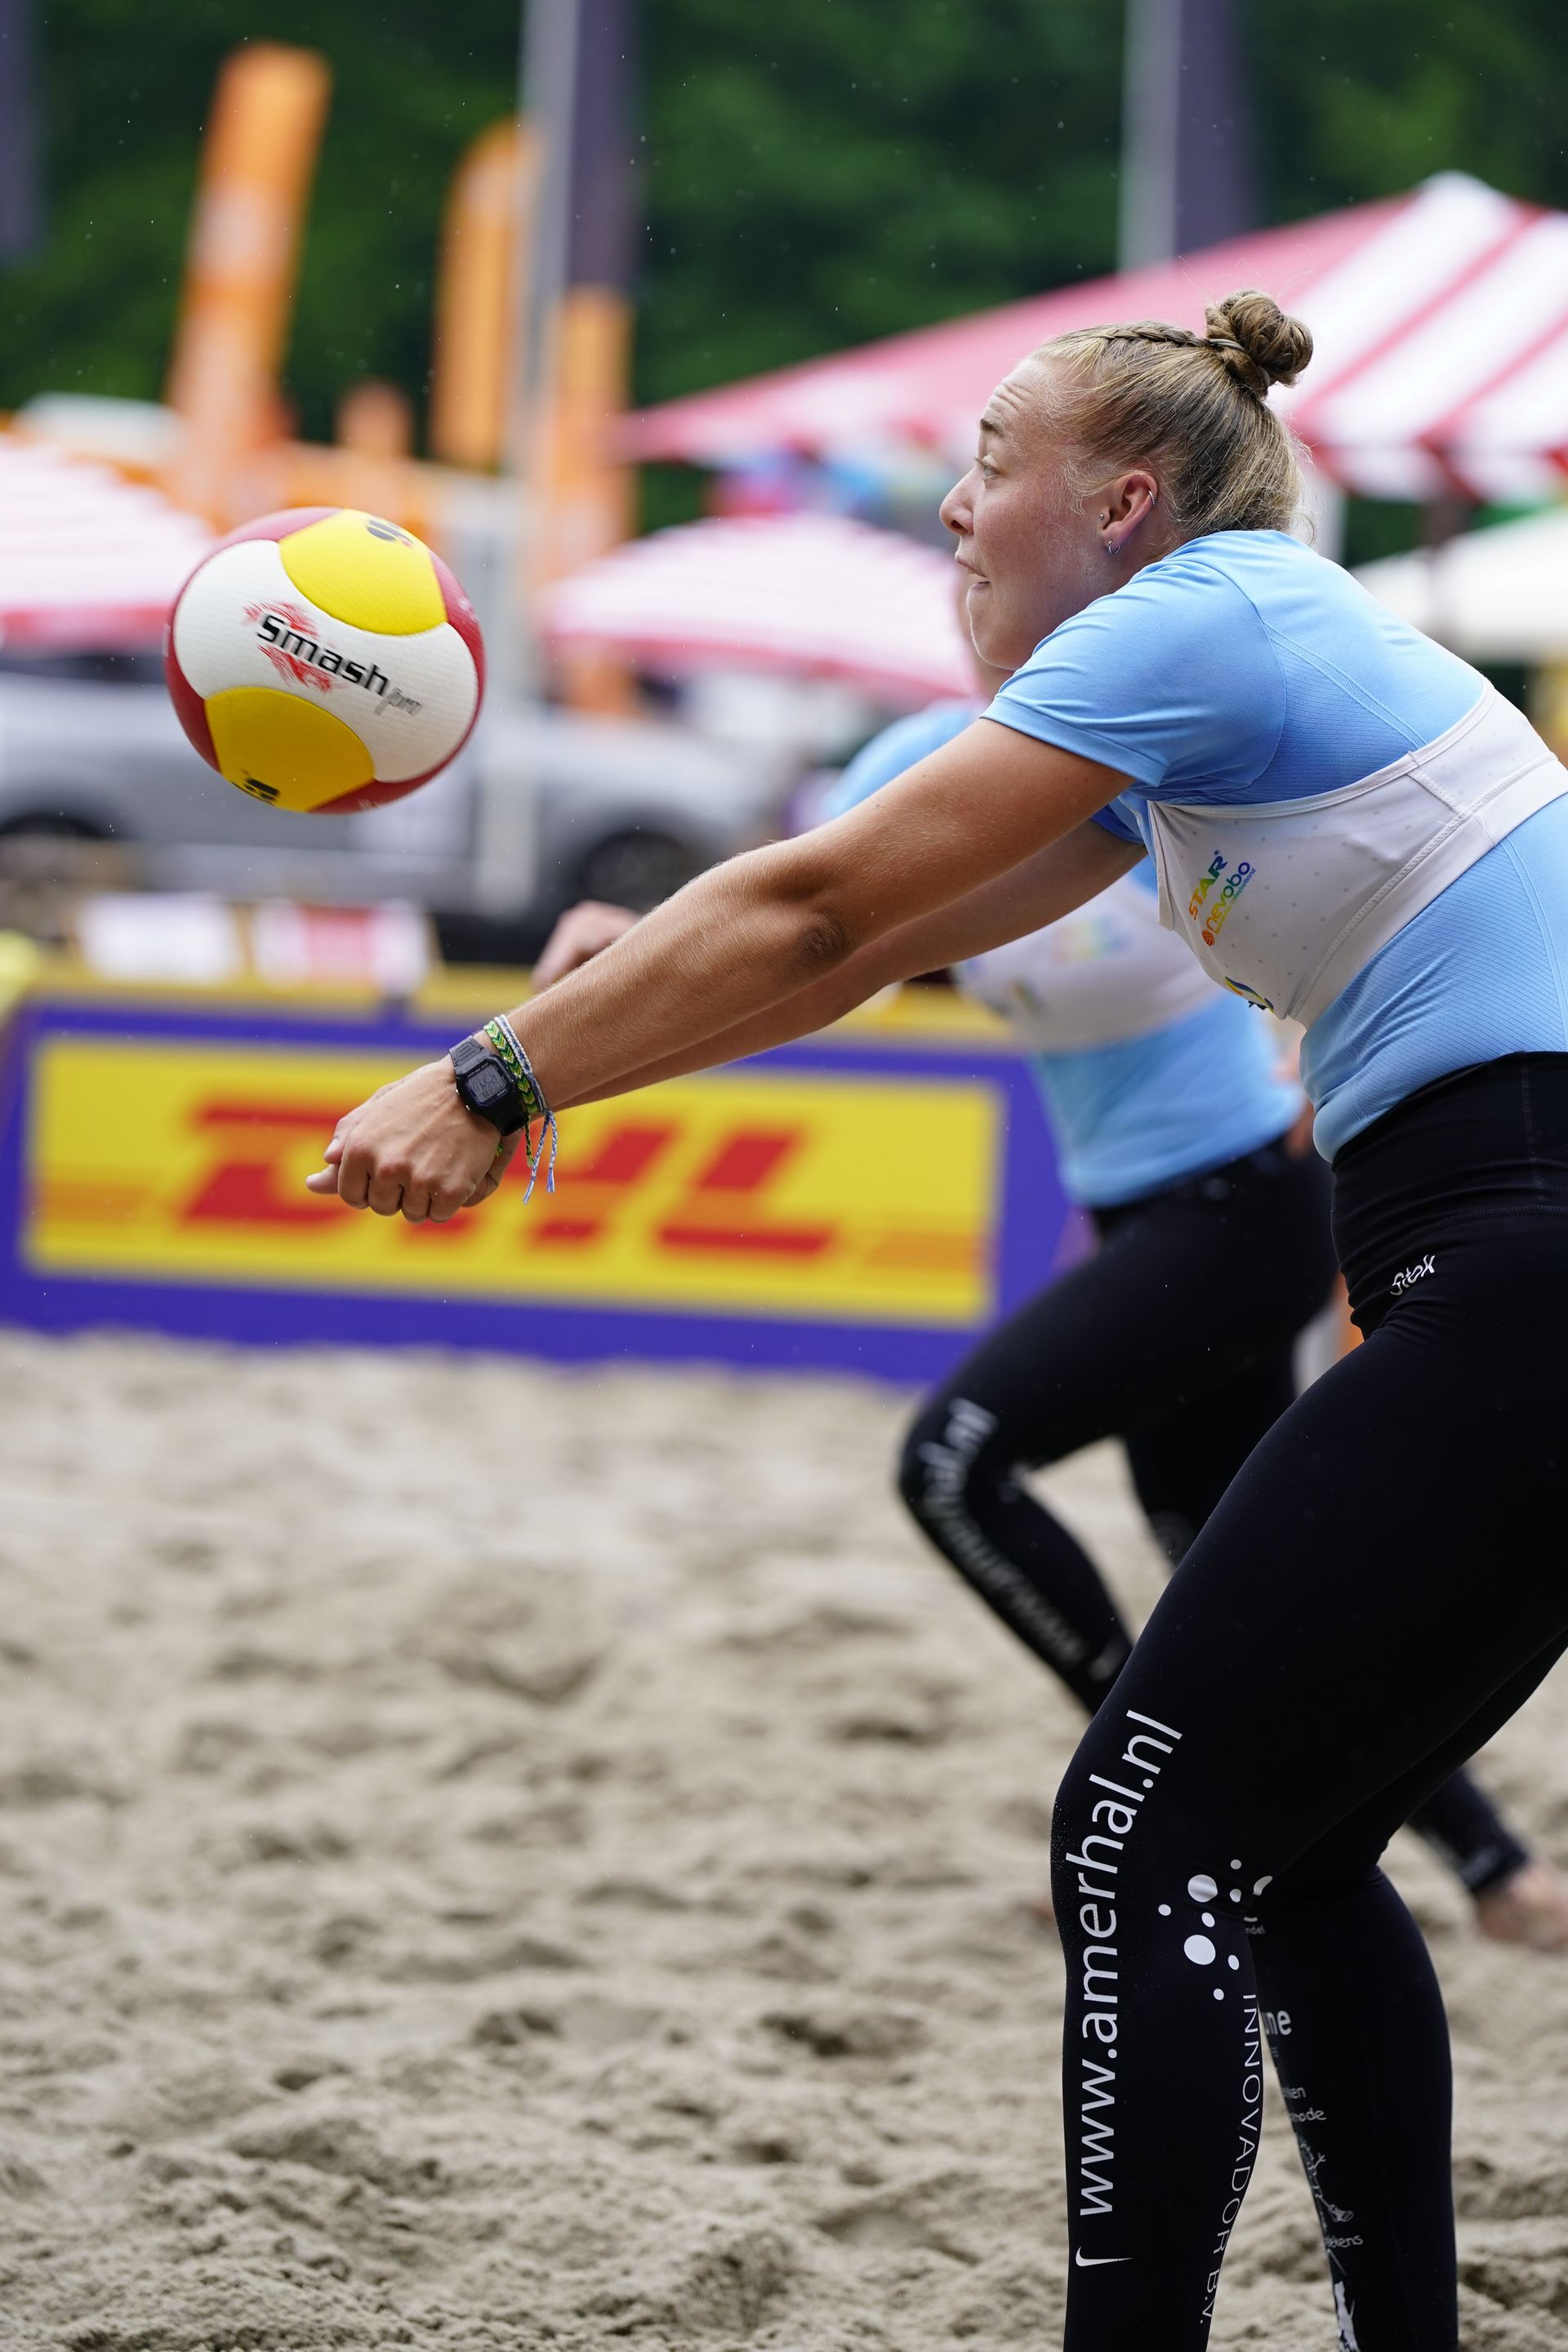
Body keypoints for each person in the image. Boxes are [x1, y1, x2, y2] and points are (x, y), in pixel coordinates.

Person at [308, 288, 1568, 2350]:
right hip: (1492, 1250)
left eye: (992, 460)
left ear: (1128, 501)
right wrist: (559, 1074)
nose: (955, 509)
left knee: (1139, 1834)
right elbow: (842, 952)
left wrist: (486, 1078)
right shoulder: (1190, 705)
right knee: (1297, 1847)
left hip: (1515, 1245)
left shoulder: (1211, 614)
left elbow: (812, 910)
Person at [535, 741, 1568, 1953]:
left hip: (1248, 1198)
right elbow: (789, 910)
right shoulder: (920, 766)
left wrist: (1324, 1042)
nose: (967, 557)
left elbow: (1351, 882)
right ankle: (1494, 1870)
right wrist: (638, 934)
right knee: (1220, 1562)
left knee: (955, 1464)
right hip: (1149, 1218)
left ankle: (1158, 1809)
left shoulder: (1138, 745)